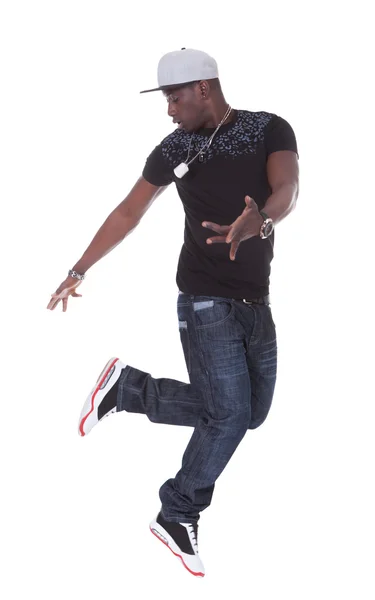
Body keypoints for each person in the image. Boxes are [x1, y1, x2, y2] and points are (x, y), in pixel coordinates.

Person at [47, 48, 299, 578]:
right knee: (229, 414)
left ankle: (129, 389)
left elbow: (287, 188)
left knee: (249, 414)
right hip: (204, 298)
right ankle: (178, 509)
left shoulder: (267, 128)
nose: (169, 109)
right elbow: (128, 211)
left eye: (174, 97)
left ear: (203, 87)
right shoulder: (174, 149)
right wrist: (80, 267)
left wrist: (263, 221)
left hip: (257, 300)